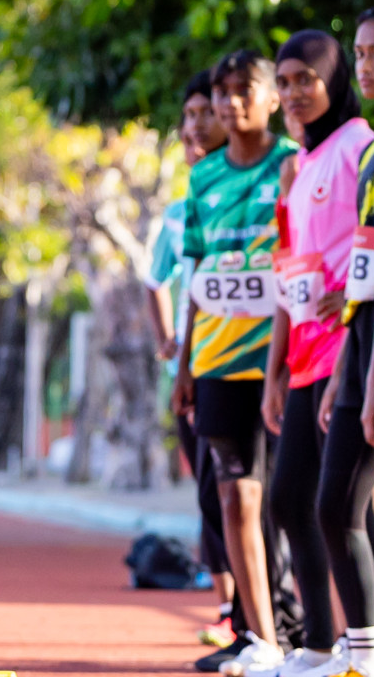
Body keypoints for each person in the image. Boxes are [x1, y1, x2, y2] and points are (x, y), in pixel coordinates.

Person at [174, 49, 300, 676]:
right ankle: (262, 637)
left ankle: (310, 632)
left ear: (272, 95)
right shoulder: (203, 179)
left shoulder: (293, 166)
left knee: (289, 500)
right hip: (217, 361)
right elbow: (194, 274)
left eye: (242, 90)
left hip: (285, 359)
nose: (229, 103)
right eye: (220, 93)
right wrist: (184, 367)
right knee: (233, 499)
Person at [260, 32, 374, 676]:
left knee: (346, 504)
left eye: (307, 78)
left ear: (335, 79)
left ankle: (370, 644)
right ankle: (319, 646)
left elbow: (373, 245)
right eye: (285, 81)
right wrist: (275, 370)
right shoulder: (298, 166)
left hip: (349, 352)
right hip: (303, 355)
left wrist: (350, 302)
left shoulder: (358, 144)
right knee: (288, 500)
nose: (294, 93)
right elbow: (289, 272)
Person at [147, 71, 239, 663]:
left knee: (247, 490)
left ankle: (266, 619)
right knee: (212, 493)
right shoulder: (180, 212)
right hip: (191, 369)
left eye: (205, 115)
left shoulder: (254, 187)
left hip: (246, 365)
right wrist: (168, 345)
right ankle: (234, 609)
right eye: (187, 119)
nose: (194, 130)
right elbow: (157, 282)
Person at [315, 7, 374, 677]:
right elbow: (373, 273)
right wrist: (357, 370)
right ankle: (367, 654)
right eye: (361, 53)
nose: (366, 66)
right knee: (334, 503)